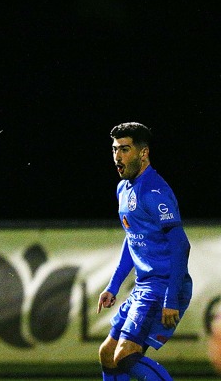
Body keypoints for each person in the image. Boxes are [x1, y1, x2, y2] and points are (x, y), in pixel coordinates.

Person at [96, 122, 192, 381]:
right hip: (144, 286)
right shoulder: (123, 189)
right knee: (107, 353)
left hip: (163, 287)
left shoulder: (155, 191)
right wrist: (113, 286)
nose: (117, 157)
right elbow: (132, 239)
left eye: (125, 149)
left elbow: (181, 245)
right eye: (115, 149)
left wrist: (171, 298)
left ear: (143, 152)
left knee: (125, 355)